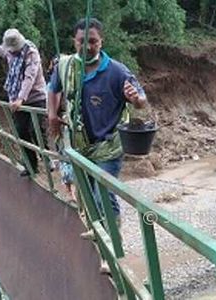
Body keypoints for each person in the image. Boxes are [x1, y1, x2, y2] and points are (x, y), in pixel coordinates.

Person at [47, 18, 148, 223]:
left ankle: (113, 245)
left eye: (93, 41)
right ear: (74, 41)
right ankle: (97, 236)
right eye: (82, 41)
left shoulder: (117, 71)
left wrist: (136, 99)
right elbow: (53, 89)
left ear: (101, 41)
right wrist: (52, 115)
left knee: (103, 196)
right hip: (79, 145)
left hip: (108, 146)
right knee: (86, 196)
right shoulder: (65, 66)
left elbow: (142, 100)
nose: (87, 47)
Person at [0, 29, 48, 177]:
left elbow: (29, 77)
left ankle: (47, 160)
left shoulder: (31, 53)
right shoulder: (12, 53)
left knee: (36, 130)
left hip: (36, 97)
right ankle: (31, 166)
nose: (10, 52)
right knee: (21, 132)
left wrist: (20, 99)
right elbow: (2, 52)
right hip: (17, 100)